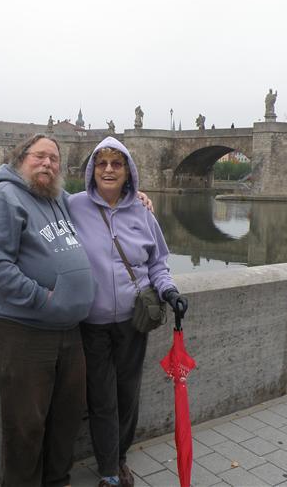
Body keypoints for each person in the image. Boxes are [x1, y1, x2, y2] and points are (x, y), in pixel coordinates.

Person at [0, 134, 95, 487]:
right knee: (25, 426)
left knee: (66, 420)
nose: (47, 164)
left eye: (54, 159)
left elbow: (98, 205)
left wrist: (137, 199)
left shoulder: (57, 196)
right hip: (22, 329)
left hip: (67, 330)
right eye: (39, 157)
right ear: (19, 159)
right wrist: (43, 299)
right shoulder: (3, 197)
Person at [67, 136, 188, 487]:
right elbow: (40, 204)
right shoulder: (73, 206)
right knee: (102, 398)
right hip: (91, 323)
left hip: (133, 324)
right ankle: (108, 471)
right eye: (101, 163)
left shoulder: (142, 212)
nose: (108, 170)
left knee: (127, 395)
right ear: (92, 170)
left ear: (127, 172)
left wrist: (170, 292)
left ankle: (119, 457)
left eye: (116, 164)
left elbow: (158, 264)